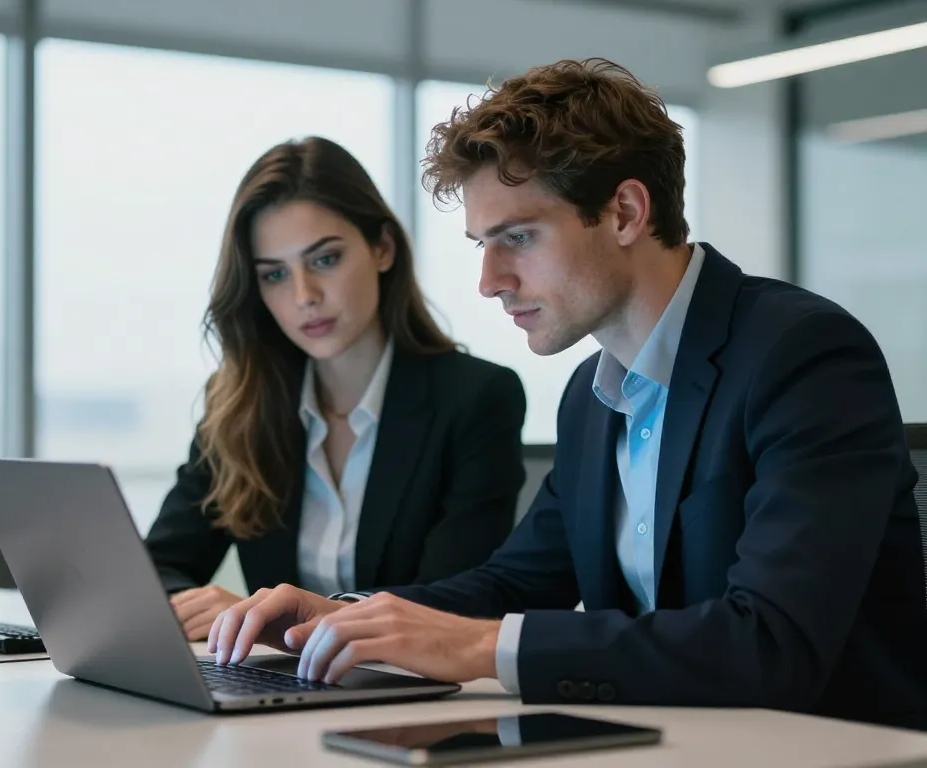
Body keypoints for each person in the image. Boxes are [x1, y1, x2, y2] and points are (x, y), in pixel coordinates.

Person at [206, 61, 927, 729]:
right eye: (483, 244)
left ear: (625, 213)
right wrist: (341, 616)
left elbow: (771, 642)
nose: (490, 281)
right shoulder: (591, 395)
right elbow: (514, 582)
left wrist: (481, 648)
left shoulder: (800, 355)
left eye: (518, 237)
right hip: (668, 740)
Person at [145, 136, 528, 641]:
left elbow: (459, 600)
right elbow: (158, 569)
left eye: (324, 260)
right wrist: (224, 618)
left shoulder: (477, 398)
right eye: (275, 274)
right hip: (274, 683)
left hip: (406, 681)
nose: (304, 296)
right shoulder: (240, 405)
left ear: (382, 248)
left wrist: (289, 622)